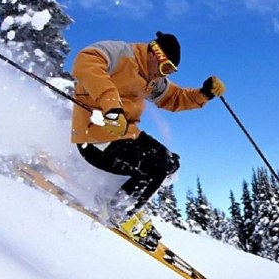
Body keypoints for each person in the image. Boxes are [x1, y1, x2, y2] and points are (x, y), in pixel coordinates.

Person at [70, 31, 225, 249]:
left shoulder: (151, 79)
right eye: (165, 68)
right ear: (155, 53)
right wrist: (111, 106)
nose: (165, 74)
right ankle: (118, 210)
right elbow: (86, 61)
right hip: (96, 135)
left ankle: (119, 198)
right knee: (155, 167)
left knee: (170, 162)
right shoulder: (122, 54)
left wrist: (205, 94)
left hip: (124, 134)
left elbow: (174, 98)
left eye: (170, 71)